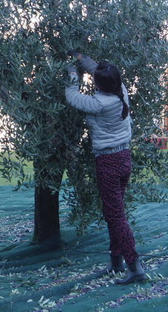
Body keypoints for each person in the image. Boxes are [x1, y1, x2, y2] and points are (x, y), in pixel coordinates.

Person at [65, 51, 146, 285]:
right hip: (123, 158)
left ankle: (134, 267)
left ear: (99, 85)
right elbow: (101, 72)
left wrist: (71, 71)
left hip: (108, 162)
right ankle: (116, 262)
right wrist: (81, 58)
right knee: (114, 213)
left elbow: (72, 96)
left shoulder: (98, 103)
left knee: (116, 215)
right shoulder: (121, 91)